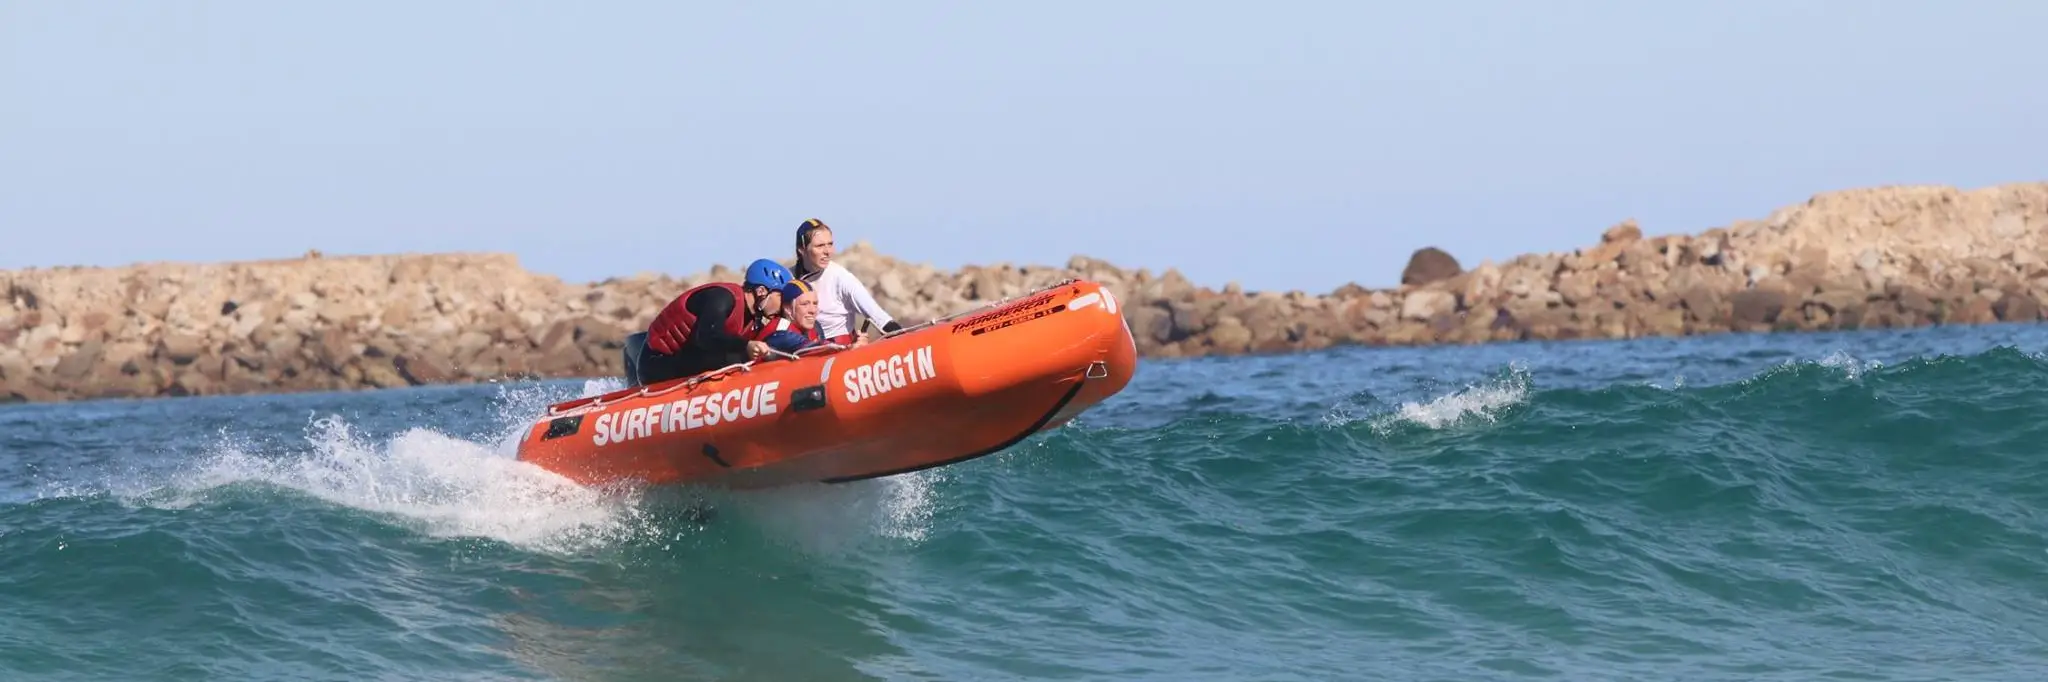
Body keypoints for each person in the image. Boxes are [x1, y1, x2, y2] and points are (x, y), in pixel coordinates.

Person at [625, 258, 792, 386]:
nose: (784, 303)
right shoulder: (722, 297)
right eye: (781, 296)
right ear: (761, 291)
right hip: (656, 364)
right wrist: (746, 345)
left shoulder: (753, 318)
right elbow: (706, 337)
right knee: (734, 358)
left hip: (689, 358)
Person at [790, 218, 904, 345]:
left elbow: (879, 318)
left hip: (842, 353)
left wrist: (908, 343)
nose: (828, 252)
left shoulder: (841, 278)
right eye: (820, 246)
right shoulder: (788, 278)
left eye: (830, 244)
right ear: (802, 249)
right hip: (804, 352)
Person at [756, 279, 826, 354]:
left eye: (815, 303)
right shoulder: (780, 330)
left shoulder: (815, 327)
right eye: (805, 304)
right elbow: (813, 346)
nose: (813, 310)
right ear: (788, 309)